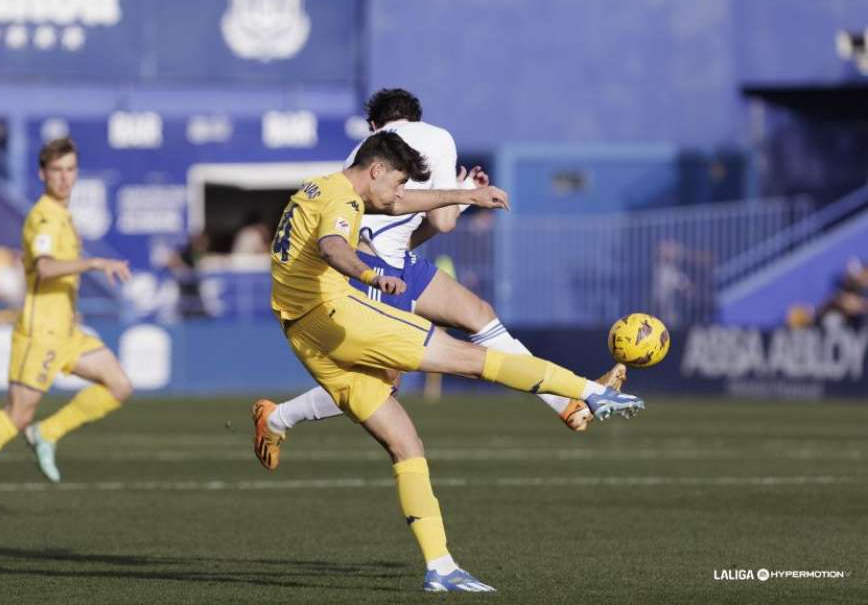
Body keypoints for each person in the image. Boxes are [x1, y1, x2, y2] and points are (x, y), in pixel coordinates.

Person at [260, 131, 644, 592]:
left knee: (405, 443)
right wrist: (370, 274)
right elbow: (334, 248)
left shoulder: (319, 187)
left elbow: (398, 206)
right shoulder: (344, 200)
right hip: (339, 316)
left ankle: (440, 566)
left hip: (302, 334)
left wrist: (466, 195)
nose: (399, 194)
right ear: (376, 170)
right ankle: (588, 392)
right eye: (398, 182)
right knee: (473, 358)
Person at [254, 89, 627, 468]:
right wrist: (464, 197)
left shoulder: (363, 153)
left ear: (374, 125)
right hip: (375, 264)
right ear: (415, 117)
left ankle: (568, 402)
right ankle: (277, 418)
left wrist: (462, 196)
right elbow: (443, 223)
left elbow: (405, 220)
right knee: (388, 379)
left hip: (393, 257)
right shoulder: (436, 138)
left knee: (473, 314)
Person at [0, 137, 134, 520]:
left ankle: (49, 433)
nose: (63, 178)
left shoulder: (62, 215)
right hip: (40, 333)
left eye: (70, 170)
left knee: (119, 385)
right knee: (17, 414)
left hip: (67, 332)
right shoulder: (43, 216)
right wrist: (92, 265)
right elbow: (43, 267)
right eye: (56, 171)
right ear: (42, 174)